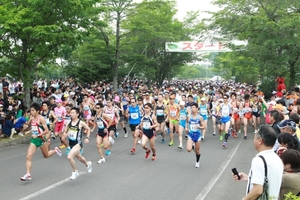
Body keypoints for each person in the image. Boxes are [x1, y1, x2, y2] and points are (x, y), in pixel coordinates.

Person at [232, 125, 283, 199]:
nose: (253, 140)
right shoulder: (277, 159)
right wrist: (248, 178)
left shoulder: (259, 160)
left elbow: (258, 190)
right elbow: (269, 180)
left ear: (260, 141)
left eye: (254, 137)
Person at [20, 103, 62, 181]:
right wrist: (28, 130)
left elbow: (46, 130)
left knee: (46, 156)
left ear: (38, 111)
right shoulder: (32, 118)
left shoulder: (41, 119)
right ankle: (28, 174)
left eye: (33, 110)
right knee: (28, 156)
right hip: (34, 140)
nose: (31, 112)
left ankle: (55, 150)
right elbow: (33, 127)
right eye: (31, 110)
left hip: (41, 139)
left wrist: (38, 135)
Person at [63, 107, 92, 180]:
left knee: (69, 157)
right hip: (71, 143)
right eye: (71, 113)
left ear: (77, 114)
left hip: (78, 143)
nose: (71, 114)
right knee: (79, 157)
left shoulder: (81, 123)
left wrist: (87, 138)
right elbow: (65, 132)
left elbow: (88, 129)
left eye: (73, 113)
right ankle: (87, 164)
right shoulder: (68, 123)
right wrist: (65, 135)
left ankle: (75, 171)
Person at [185, 103, 205, 168]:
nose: (192, 109)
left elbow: (204, 126)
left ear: (197, 109)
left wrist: (199, 127)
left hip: (198, 135)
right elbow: (187, 123)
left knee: (197, 151)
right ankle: (192, 147)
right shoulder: (189, 116)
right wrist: (186, 128)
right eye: (191, 108)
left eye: (193, 108)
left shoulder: (200, 117)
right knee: (188, 149)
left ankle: (197, 162)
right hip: (191, 134)